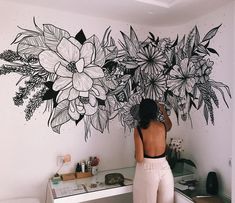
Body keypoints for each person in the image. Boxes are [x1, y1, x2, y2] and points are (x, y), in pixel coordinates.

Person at [133, 98, 174, 203]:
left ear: (141, 112)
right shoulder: (162, 126)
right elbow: (169, 125)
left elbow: (140, 158)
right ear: (155, 111)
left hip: (147, 170)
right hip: (165, 169)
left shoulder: (139, 129)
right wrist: (163, 110)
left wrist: (135, 152)